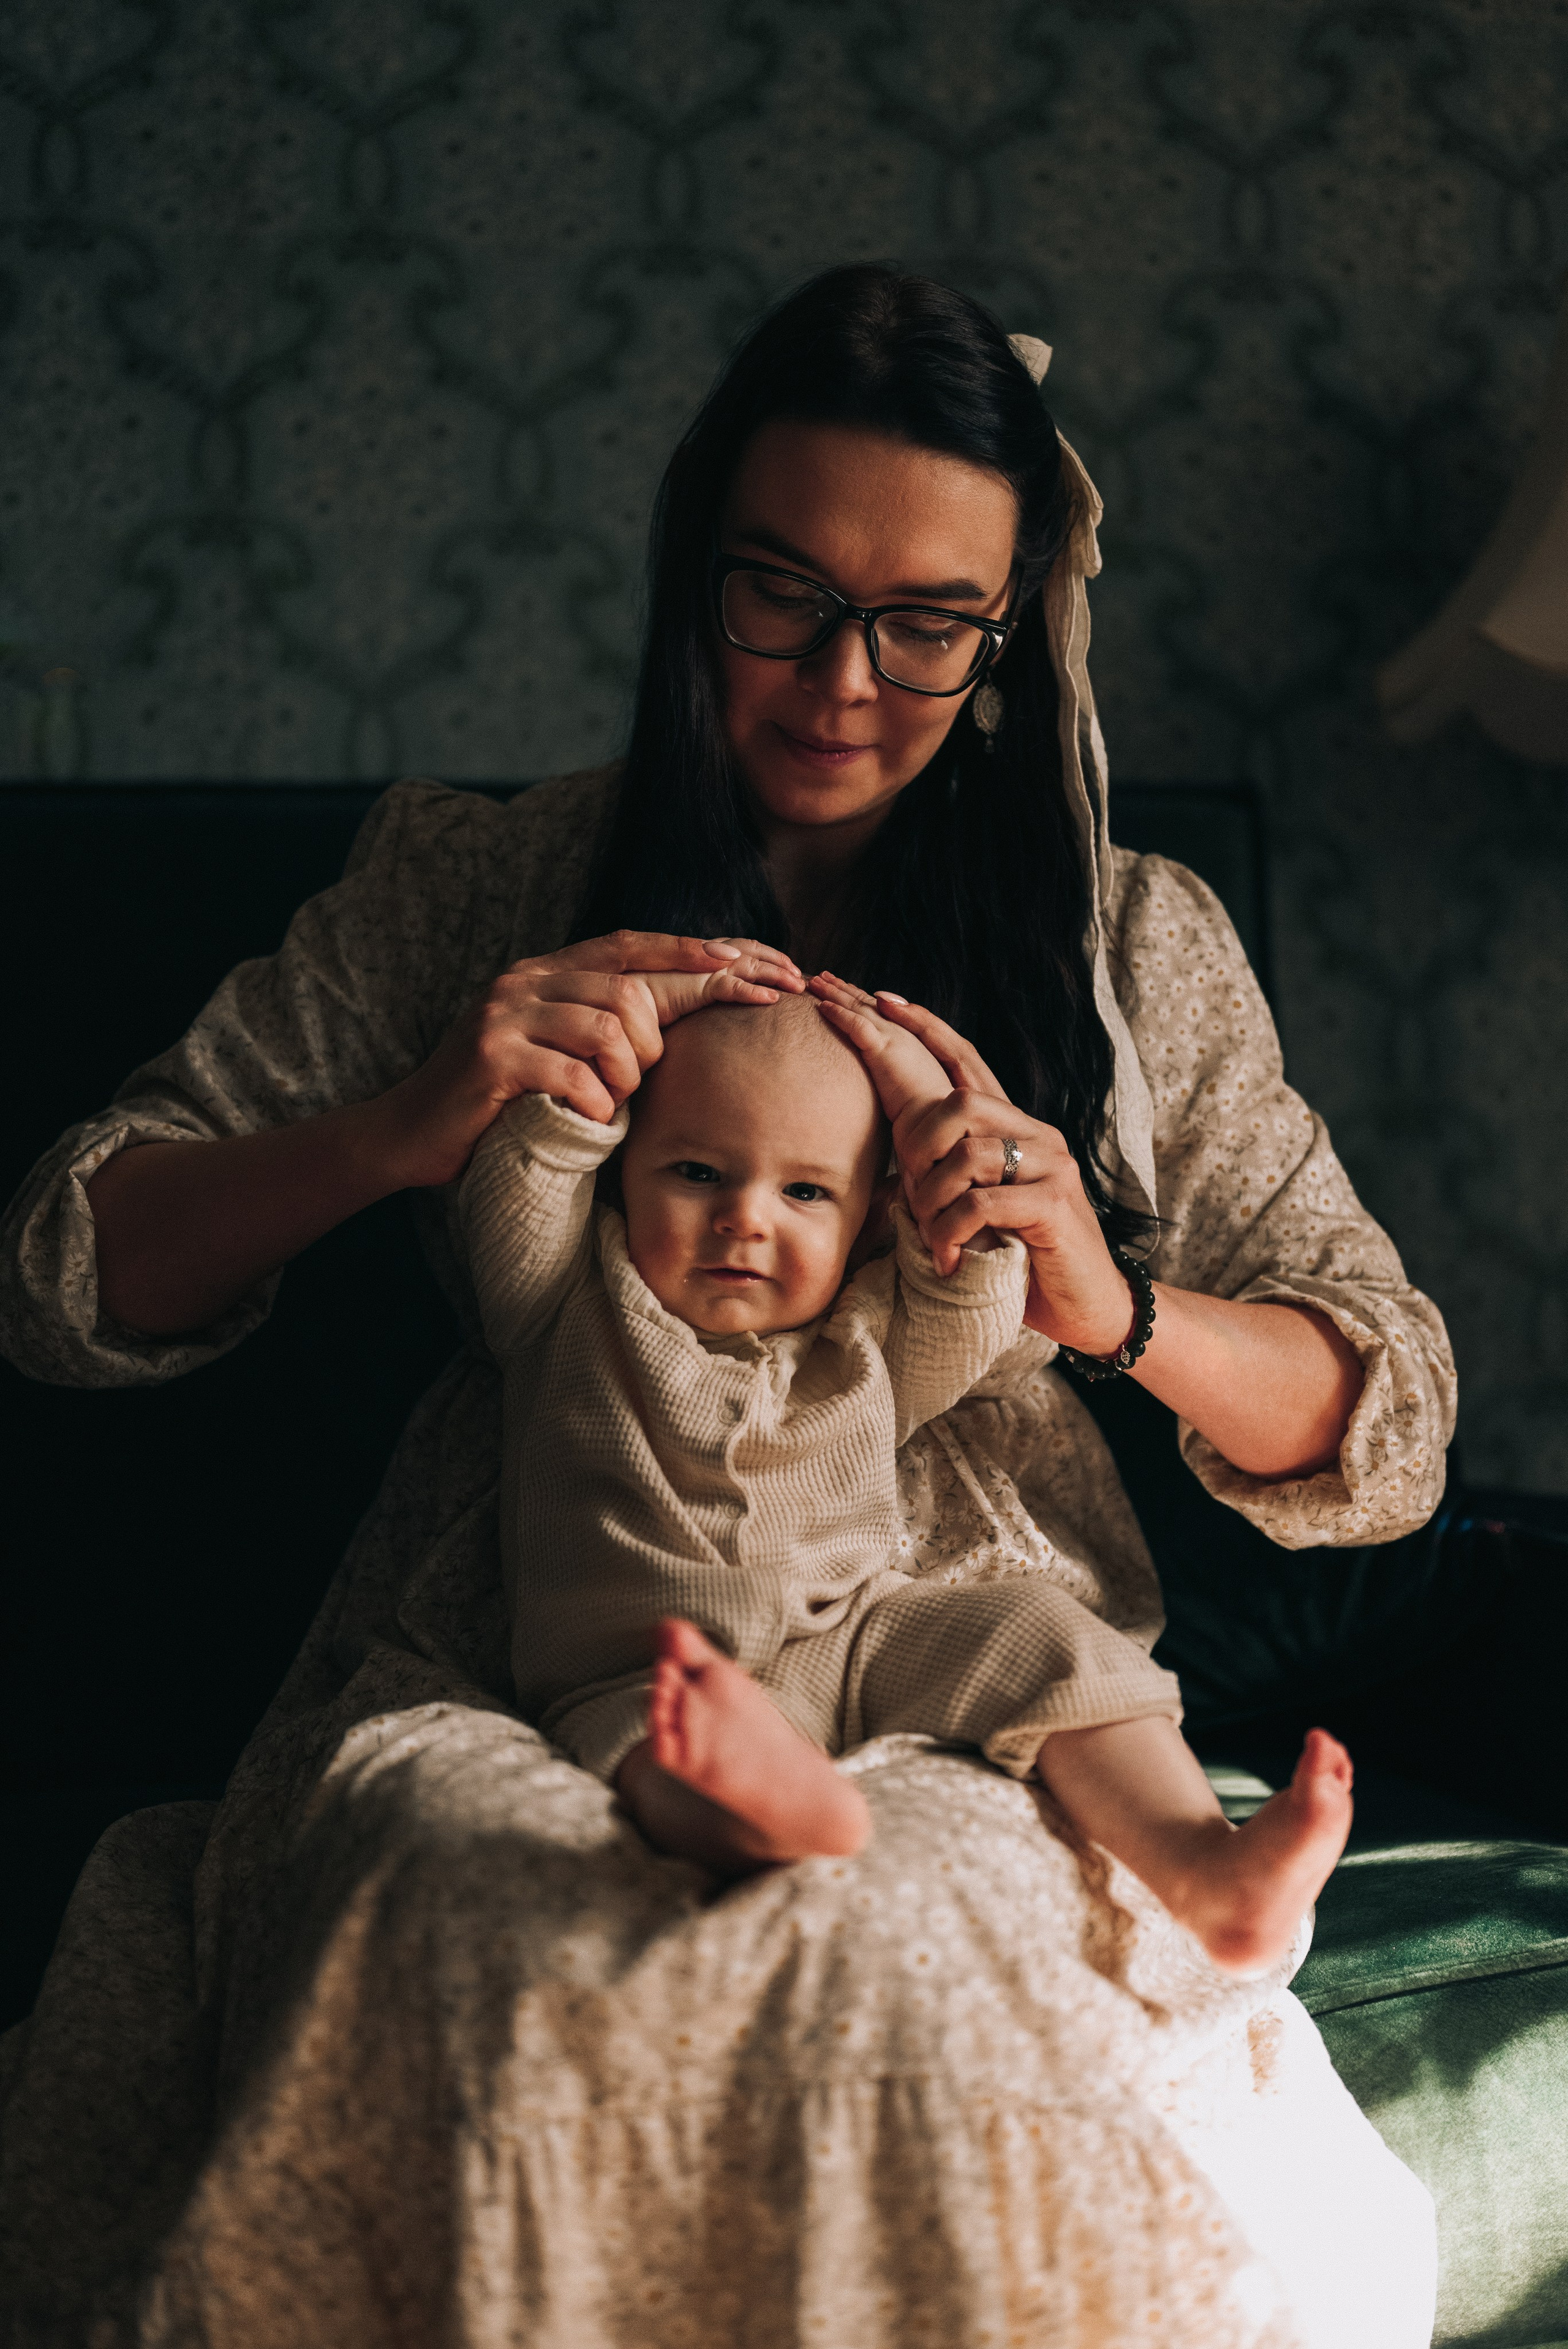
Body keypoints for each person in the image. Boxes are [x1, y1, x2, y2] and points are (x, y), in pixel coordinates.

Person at [0, 265, 1452, 2348]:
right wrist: (418, 1120)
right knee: (484, 1885)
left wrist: (1114, 1297)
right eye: (782, 594)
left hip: (961, 1673)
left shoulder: (1129, 938)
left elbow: (1382, 1409)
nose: (845, 682)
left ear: (1012, 622)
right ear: (693, 572)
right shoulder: (477, 883)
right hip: (537, 1627)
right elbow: (65, 1271)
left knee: (913, 1931)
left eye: (928, 622)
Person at [468, 985, 1354, 1977]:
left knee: (1040, 1628)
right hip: (642, 1667)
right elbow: (522, 1181)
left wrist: (932, 1116)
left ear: (870, 1216)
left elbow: (974, 1299)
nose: (743, 1219)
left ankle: (1206, 1869)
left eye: (805, 1192)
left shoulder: (864, 1335)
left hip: (853, 1636)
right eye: (695, 1171)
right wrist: (586, 1086)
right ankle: (765, 1816)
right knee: (655, 1746)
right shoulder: (566, 1299)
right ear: (624, 1170)